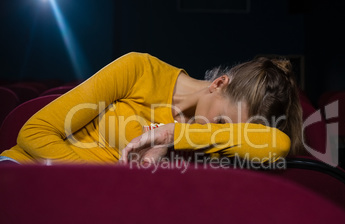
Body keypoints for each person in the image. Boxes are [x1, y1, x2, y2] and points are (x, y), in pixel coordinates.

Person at [0, 52, 303, 165]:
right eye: (221, 120)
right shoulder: (138, 70)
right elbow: (35, 133)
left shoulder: (202, 140)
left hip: (83, 205)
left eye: (230, 132)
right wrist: (109, 181)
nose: (215, 134)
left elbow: (278, 145)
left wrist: (171, 134)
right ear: (219, 83)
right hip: (23, 173)